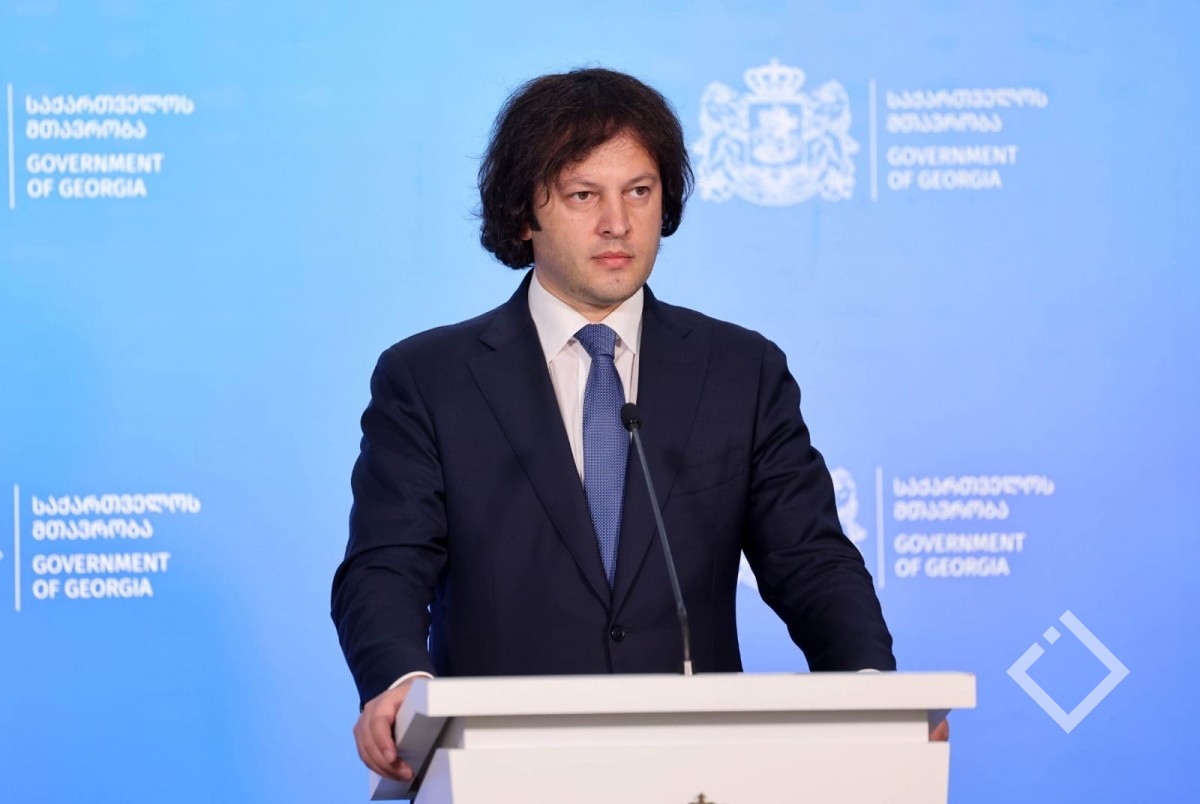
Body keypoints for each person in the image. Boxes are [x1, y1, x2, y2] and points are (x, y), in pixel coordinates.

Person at [332, 67, 909, 783]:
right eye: (584, 195)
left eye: (639, 191)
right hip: (500, 771)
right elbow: (386, 563)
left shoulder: (740, 370)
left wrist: (873, 690)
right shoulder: (430, 379)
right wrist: (399, 681)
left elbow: (810, 561)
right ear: (523, 212)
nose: (618, 223)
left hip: (698, 771)